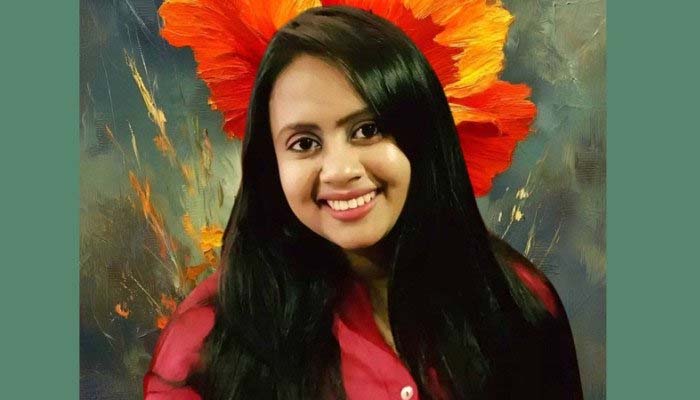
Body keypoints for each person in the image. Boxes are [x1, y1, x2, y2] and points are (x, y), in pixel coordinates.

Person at [144, 5, 583, 400]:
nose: (339, 170)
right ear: (269, 164)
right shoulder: (204, 345)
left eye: (367, 130)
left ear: (422, 136)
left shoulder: (518, 303)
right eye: (304, 143)